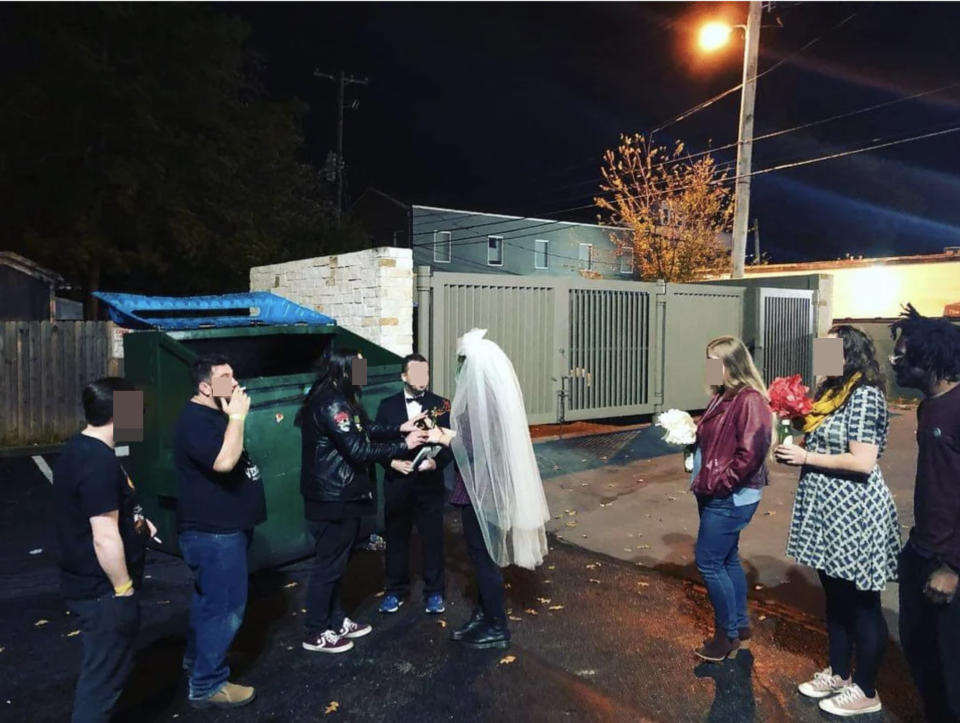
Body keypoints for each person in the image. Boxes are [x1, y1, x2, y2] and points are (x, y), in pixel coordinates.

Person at [780, 325, 900, 717]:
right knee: (835, 598)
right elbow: (826, 440)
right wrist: (798, 439)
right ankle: (838, 672)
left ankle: (866, 689)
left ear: (851, 353)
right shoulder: (830, 393)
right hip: (827, 509)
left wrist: (807, 458)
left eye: (829, 349)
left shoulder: (864, 396)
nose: (821, 356)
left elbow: (863, 461)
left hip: (855, 512)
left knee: (863, 603)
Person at [296, 347, 430, 653]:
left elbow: (365, 429)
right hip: (332, 498)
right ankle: (316, 631)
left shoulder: (342, 398)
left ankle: (336, 619)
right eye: (358, 369)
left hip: (342, 496)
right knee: (328, 567)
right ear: (343, 370)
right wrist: (403, 444)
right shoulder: (331, 404)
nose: (363, 374)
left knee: (338, 564)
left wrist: (399, 428)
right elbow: (358, 450)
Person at [432, 328, 551, 650]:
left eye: (461, 363)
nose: (458, 369)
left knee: (484, 559)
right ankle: (485, 615)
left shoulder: (479, 402)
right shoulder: (493, 398)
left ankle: (496, 626)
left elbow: (470, 446)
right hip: (488, 489)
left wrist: (442, 437)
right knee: (482, 556)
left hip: (482, 492)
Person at [53, 377, 155, 723]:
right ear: (117, 414)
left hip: (89, 586)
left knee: (104, 670)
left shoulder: (80, 449)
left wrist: (138, 524)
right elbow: (104, 536)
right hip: (101, 592)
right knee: (102, 680)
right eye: (135, 411)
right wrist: (123, 590)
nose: (140, 417)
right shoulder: (97, 462)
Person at [172, 354, 266, 709]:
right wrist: (239, 417)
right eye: (225, 377)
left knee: (208, 602)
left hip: (225, 529)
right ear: (205, 386)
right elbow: (225, 462)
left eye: (234, 374)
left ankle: (198, 660)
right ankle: (208, 683)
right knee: (225, 607)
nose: (235, 382)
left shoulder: (213, 413)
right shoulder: (195, 420)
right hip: (213, 534)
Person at [889, 304, 960, 722]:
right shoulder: (927, 407)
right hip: (921, 550)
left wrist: (953, 565)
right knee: (920, 652)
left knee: (953, 670)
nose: (894, 361)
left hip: (948, 560)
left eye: (902, 354)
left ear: (929, 359)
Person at [690, 336, 774, 663]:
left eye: (715, 361)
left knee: (708, 562)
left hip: (729, 495)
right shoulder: (724, 397)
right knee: (726, 559)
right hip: (717, 489)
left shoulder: (749, 399)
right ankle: (739, 626)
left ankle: (725, 637)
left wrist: (721, 483)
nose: (710, 367)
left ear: (732, 365)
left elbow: (751, 452)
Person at [375, 353, 454, 616]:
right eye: (418, 373)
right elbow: (376, 445)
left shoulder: (441, 405)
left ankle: (434, 592)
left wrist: (436, 463)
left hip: (429, 483)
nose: (423, 379)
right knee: (396, 538)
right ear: (403, 376)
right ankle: (395, 591)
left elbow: (452, 443)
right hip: (397, 483)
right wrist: (391, 464)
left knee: (432, 539)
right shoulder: (386, 406)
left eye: (427, 373)